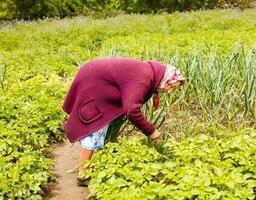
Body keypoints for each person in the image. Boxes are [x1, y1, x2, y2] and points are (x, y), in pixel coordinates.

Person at [62, 57, 185, 186]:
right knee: (94, 128)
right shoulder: (144, 78)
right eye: (171, 85)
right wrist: (151, 131)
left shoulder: (149, 73)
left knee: (97, 128)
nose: (169, 90)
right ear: (165, 79)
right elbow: (131, 110)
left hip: (95, 77)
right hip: (92, 81)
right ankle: (83, 174)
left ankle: (90, 165)